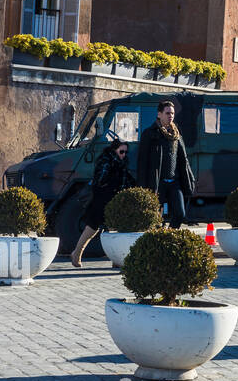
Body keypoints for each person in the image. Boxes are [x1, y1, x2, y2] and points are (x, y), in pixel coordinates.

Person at [71, 139, 134, 266]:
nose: (123, 155)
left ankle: (116, 259)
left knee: (114, 228)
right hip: (101, 199)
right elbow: (100, 181)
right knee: (92, 227)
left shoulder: (121, 162)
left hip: (115, 199)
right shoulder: (106, 160)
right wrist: (114, 179)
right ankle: (77, 253)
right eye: (121, 151)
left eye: (125, 152)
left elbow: (126, 179)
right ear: (114, 150)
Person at [137, 100, 195, 229]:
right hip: (157, 182)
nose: (171, 116)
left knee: (180, 214)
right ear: (159, 114)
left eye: (173, 113)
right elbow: (142, 162)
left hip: (174, 181)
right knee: (156, 218)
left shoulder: (176, 134)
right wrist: (143, 185)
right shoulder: (150, 134)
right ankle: (158, 242)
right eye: (168, 113)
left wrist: (189, 180)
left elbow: (183, 159)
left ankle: (169, 236)